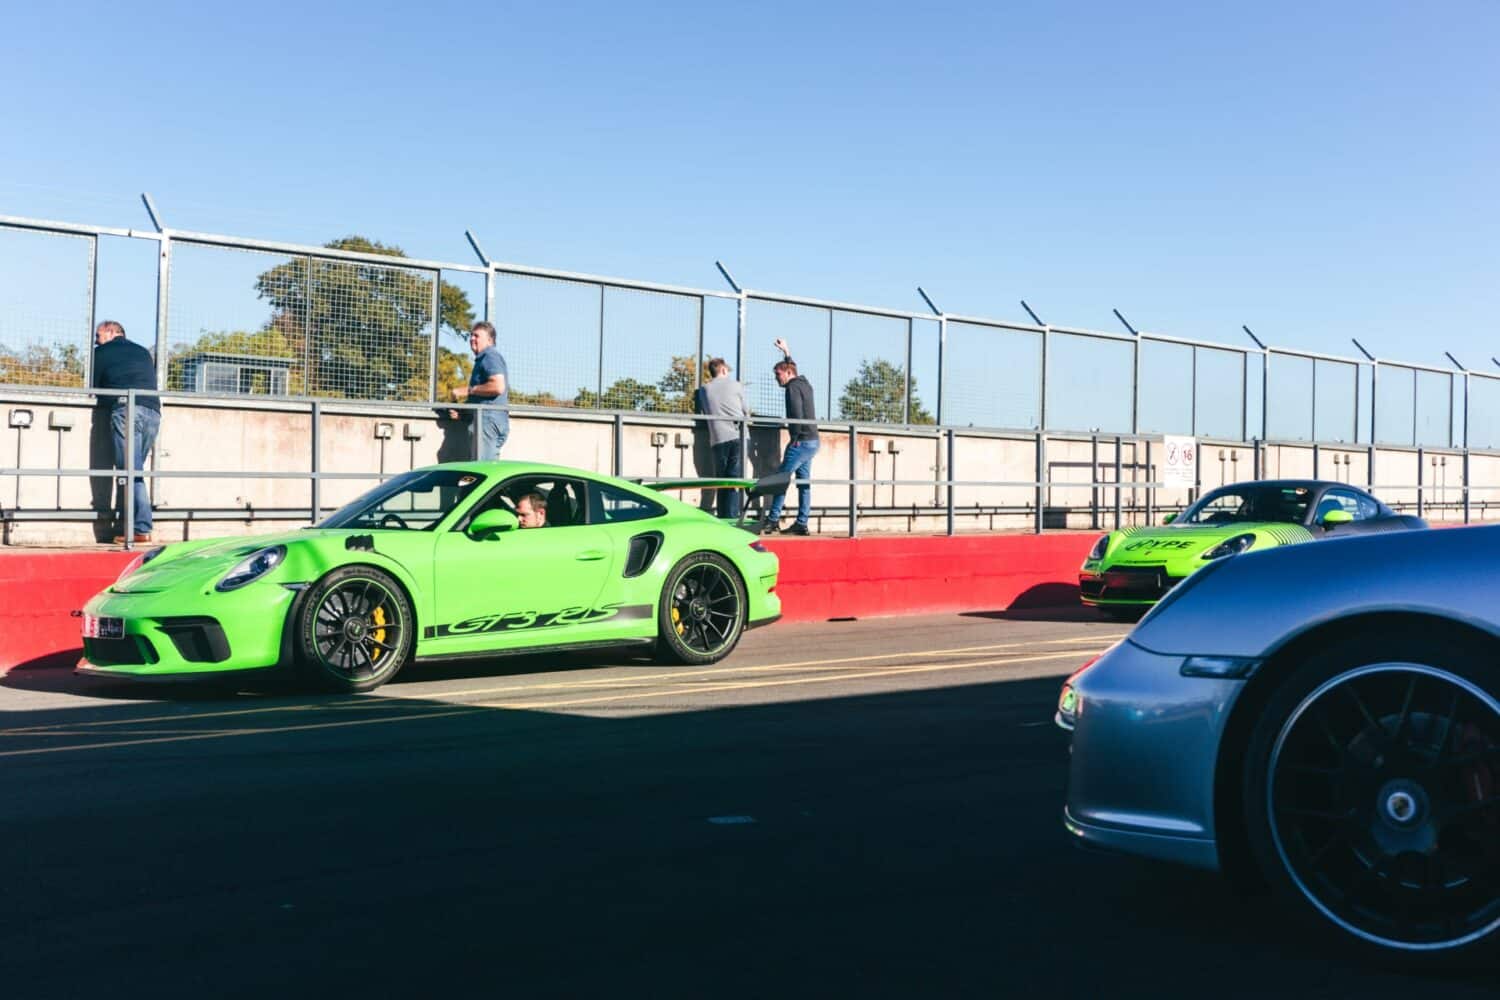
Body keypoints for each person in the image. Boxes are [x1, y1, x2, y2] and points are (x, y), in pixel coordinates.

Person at [91, 321, 160, 545]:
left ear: (112, 332)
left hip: (127, 410)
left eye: (98, 335)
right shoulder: (142, 351)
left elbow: (95, 387)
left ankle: (140, 529)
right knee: (135, 470)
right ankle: (134, 525)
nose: (96, 340)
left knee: (131, 471)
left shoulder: (101, 352)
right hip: (152, 412)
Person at [762, 338, 819, 535]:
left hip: (801, 442)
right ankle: (802, 523)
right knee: (803, 482)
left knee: (781, 479)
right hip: (812, 441)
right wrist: (786, 351)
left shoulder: (792, 387)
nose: (777, 378)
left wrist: (795, 436)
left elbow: (796, 412)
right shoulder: (804, 383)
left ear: (788, 373)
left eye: (778, 374)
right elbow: (792, 366)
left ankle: (773, 519)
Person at [698, 358, 749, 518]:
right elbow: (746, 411)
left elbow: (703, 412)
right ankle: (733, 517)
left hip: (717, 437)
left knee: (721, 480)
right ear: (724, 370)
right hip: (738, 435)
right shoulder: (736, 385)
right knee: (734, 480)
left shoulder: (704, 389)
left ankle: (723, 516)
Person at [450, 321, 509, 460]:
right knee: (484, 467)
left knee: (482, 470)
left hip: (487, 421)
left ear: (490, 340)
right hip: (489, 419)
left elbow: (498, 387)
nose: (471, 339)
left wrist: (469, 390)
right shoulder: (484, 358)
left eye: (476, 336)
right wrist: (463, 414)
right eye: (471, 335)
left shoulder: (489, 356)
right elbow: (483, 398)